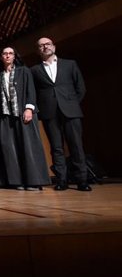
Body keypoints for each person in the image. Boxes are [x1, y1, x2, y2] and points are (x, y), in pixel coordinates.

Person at [31, 37, 90, 191]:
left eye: (48, 44)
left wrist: (72, 104)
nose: (45, 47)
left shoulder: (70, 64)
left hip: (71, 111)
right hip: (50, 112)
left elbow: (80, 87)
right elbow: (35, 93)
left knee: (76, 145)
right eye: (41, 46)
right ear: (38, 50)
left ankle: (82, 180)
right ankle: (61, 180)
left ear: (54, 47)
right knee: (56, 147)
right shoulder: (35, 70)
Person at [0, 46, 50, 190]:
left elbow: (31, 90)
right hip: (6, 115)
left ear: (14, 56)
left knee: (28, 146)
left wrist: (29, 108)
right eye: (5, 53)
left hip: (23, 113)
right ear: (1, 57)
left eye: (10, 53)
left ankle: (33, 181)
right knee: (10, 148)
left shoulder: (24, 71)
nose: (7, 56)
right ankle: (16, 181)